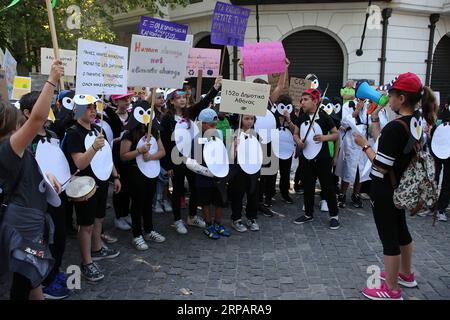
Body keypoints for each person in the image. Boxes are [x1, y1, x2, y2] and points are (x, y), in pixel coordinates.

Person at [354, 72, 435, 300]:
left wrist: (363, 145)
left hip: (386, 189)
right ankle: (405, 274)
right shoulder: (417, 122)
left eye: (390, 94)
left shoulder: (395, 128)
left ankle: (391, 289)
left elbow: (381, 166)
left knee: (389, 238)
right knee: (401, 231)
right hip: (400, 186)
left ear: (401, 98)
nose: (386, 98)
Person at [0, 60, 64, 300]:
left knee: (31, 278)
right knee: (22, 281)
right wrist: (51, 79)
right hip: (22, 226)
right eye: (20, 123)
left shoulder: (13, 149)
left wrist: (45, 176)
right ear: (12, 127)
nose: (24, 126)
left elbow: (26, 167)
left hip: (29, 220)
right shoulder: (7, 147)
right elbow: (37, 119)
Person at [18, 91, 71, 299]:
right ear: (27, 112)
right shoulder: (23, 139)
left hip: (58, 196)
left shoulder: (53, 135)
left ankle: (54, 273)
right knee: (41, 242)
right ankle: (44, 281)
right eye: (42, 106)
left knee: (59, 237)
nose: (47, 111)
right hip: (35, 202)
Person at [63, 94, 121, 282]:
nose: (93, 110)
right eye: (88, 107)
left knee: (99, 218)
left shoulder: (97, 128)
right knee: (86, 224)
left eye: (94, 106)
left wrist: (115, 175)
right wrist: (94, 148)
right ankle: (87, 262)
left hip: (102, 180)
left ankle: (97, 248)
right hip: (84, 185)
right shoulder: (73, 132)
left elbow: (107, 156)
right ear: (78, 110)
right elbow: (79, 162)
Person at [159, 77, 222, 234]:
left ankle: (192, 216)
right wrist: (167, 165)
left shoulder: (189, 113)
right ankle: (177, 220)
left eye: (183, 97)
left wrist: (215, 87)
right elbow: (165, 143)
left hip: (192, 157)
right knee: (178, 190)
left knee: (195, 188)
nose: (182, 100)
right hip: (176, 159)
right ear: (171, 101)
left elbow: (203, 102)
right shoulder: (167, 119)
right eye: (178, 98)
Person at [120, 100, 166, 250]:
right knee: (138, 203)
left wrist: (151, 157)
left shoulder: (154, 131)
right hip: (135, 173)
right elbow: (123, 155)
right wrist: (139, 151)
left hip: (151, 171)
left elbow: (162, 151)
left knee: (148, 201)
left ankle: (149, 230)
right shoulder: (129, 133)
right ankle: (137, 234)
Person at [293, 89, 340, 230]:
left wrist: (324, 138)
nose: (302, 102)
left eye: (306, 99)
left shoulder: (324, 116)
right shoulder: (301, 117)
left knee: (327, 186)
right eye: (301, 100)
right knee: (308, 186)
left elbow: (336, 134)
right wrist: (298, 141)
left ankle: (334, 216)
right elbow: (295, 133)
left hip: (322, 158)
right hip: (306, 158)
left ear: (315, 101)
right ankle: (308, 214)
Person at [190, 108, 231, 239]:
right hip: (204, 176)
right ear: (202, 124)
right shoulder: (196, 139)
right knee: (205, 202)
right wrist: (205, 171)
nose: (214, 127)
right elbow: (192, 161)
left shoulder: (218, 136)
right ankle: (208, 225)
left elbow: (224, 153)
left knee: (220, 201)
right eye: (211, 125)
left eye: (215, 124)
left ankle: (218, 224)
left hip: (219, 175)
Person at [229, 114, 261, 232]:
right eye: (247, 118)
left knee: (253, 194)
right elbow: (231, 157)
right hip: (239, 171)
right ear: (241, 119)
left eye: (252, 118)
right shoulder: (234, 133)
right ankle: (236, 219)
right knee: (238, 195)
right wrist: (235, 145)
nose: (250, 121)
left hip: (253, 170)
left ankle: (251, 218)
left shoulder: (255, 135)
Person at [108, 92, 134, 231]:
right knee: (119, 187)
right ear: (116, 101)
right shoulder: (110, 117)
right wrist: (120, 139)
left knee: (129, 186)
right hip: (116, 156)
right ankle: (118, 216)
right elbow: (107, 141)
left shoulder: (132, 116)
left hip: (129, 156)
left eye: (128, 99)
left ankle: (125, 213)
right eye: (124, 99)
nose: (127, 101)